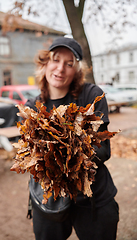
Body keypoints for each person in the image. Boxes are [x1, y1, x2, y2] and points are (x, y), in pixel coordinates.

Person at [25, 37, 119, 240]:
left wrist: (66, 152)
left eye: (69, 64)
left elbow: (103, 150)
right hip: (49, 199)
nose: (60, 69)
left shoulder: (91, 96)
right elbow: (30, 155)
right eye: (56, 60)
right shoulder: (33, 107)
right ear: (45, 63)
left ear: (77, 70)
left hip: (93, 198)